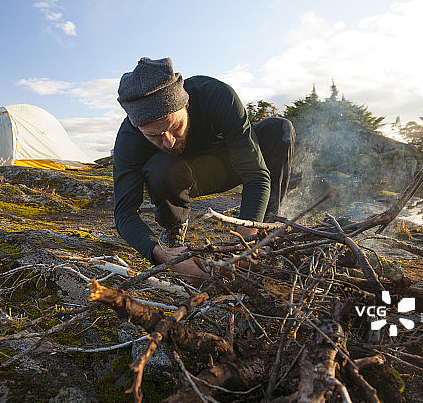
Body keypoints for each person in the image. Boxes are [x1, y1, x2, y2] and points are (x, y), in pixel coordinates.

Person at [112, 57, 295, 278]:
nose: (169, 141)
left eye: (175, 126)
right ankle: (173, 230)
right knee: (160, 166)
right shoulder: (129, 137)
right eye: (155, 136)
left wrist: (245, 242)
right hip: (180, 176)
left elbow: (255, 173)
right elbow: (125, 214)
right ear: (138, 127)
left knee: (279, 130)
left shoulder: (215, 95)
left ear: (186, 104)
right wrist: (162, 254)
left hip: (227, 164)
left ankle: (265, 228)